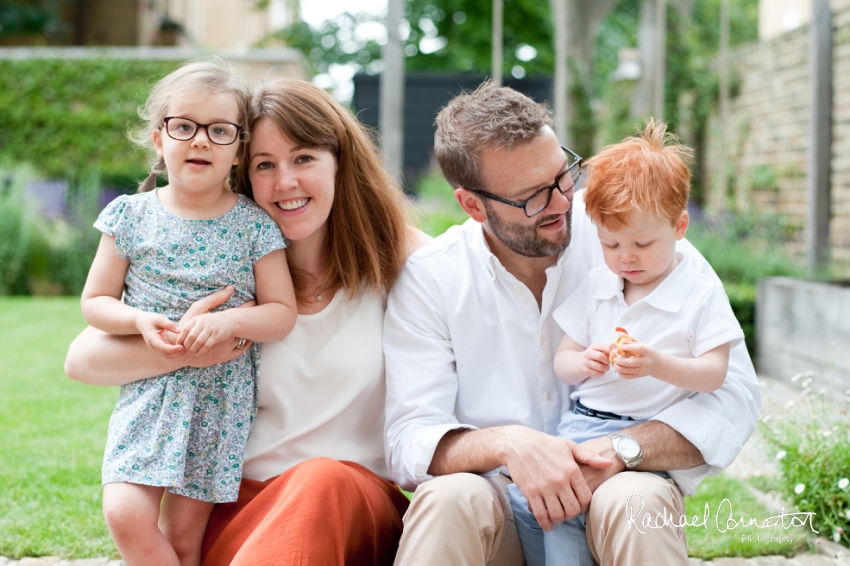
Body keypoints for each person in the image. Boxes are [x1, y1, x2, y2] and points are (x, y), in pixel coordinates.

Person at [383, 83, 760, 566]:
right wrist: (508, 444)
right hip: (498, 510)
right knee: (447, 500)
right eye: (532, 198)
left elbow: (735, 394)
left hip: (615, 494)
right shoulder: (432, 279)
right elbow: (408, 437)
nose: (563, 203)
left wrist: (622, 449)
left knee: (636, 499)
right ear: (473, 206)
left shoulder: (633, 232)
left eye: (563, 176)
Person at [66, 76, 427, 565]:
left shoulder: (395, 262)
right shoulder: (224, 270)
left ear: (341, 163)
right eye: (265, 164)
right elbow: (81, 360)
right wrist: (188, 346)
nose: (286, 182)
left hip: (353, 505)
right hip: (240, 509)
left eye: (304, 158)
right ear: (242, 170)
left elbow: (481, 260)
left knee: (323, 480)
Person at [78, 59, 298, 566]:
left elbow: (281, 312)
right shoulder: (130, 216)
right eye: (184, 126)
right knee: (125, 512)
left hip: (219, 401)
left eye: (219, 131)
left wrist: (230, 321)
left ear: (240, 149)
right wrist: (138, 321)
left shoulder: (254, 226)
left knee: (183, 537)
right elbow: (95, 302)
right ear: (159, 138)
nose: (200, 141)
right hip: (148, 395)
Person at [506, 119, 745, 566]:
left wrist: (657, 364)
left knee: (579, 506)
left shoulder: (699, 293)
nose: (626, 257)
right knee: (538, 506)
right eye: (610, 243)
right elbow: (563, 360)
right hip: (581, 425)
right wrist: (585, 362)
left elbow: (715, 374)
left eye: (641, 242)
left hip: (644, 431)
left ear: (680, 227)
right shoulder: (600, 284)